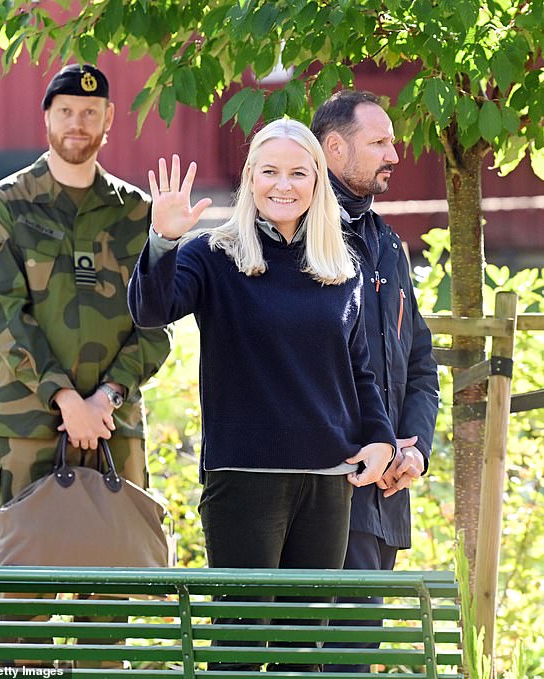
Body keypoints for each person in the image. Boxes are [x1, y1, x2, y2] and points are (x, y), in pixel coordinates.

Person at [128, 118, 398, 671]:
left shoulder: (337, 264)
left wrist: (382, 440)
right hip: (245, 479)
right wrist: (163, 240)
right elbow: (151, 311)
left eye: (299, 172)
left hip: (327, 483)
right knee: (241, 649)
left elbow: (358, 371)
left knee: (303, 656)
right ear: (250, 180)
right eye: (269, 171)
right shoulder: (213, 255)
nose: (284, 184)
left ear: (317, 182)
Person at [0, 63, 171, 668]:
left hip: (114, 428)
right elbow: (1, 311)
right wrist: (65, 398)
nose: (77, 123)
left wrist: (105, 398)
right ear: (47, 118)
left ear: (109, 120)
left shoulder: (138, 214)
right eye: (66, 111)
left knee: (108, 597)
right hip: (31, 425)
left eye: (91, 112)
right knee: (23, 593)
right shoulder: (7, 203)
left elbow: (157, 323)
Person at [311, 90, 440, 672]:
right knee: (311, 659)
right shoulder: (301, 240)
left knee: (355, 660)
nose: (395, 152)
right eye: (379, 142)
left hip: (385, 493)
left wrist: (415, 451)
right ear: (334, 148)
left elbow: (419, 364)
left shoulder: (388, 244)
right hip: (325, 488)